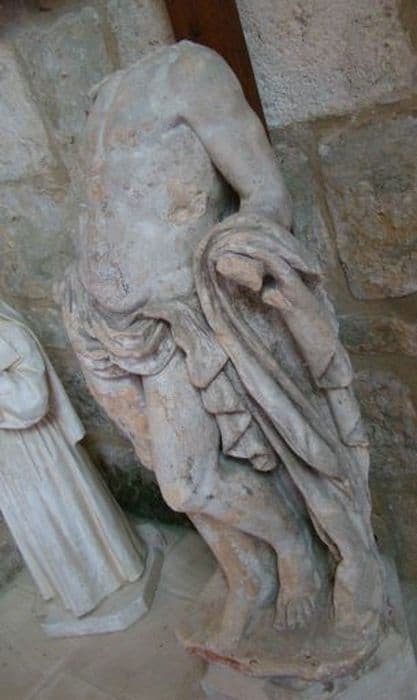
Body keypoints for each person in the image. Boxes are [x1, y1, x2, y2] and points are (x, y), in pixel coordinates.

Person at [61, 40, 384, 653]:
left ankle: (294, 549)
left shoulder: (190, 71)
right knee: (159, 462)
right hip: (96, 321)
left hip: (173, 319)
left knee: (186, 482)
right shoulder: (101, 95)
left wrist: (239, 252)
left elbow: (268, 195)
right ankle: (247, 576)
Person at [0, 301, 145, 618]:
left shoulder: (9, 333)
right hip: (8, 460)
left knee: (63, 511)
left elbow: (32, 402)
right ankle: (71, 587)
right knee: (35, 520)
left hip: (36, 448)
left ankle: (105, 577)